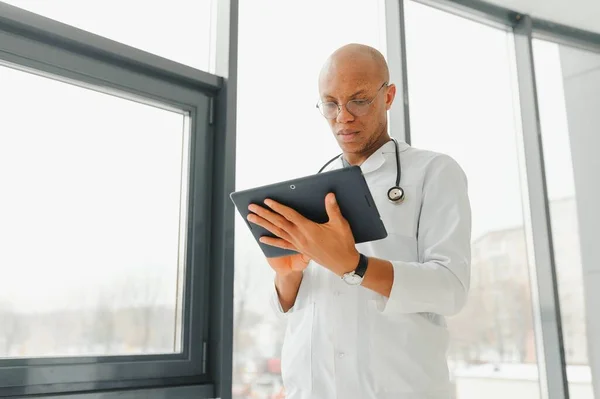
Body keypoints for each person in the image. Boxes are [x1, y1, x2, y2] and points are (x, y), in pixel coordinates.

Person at [246, 43, 472, 399]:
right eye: (330, 103)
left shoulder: (433, 172)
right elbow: (296, 312)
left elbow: (451, 290)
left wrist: (355, 265)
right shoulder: (308, 192)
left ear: (388, 96)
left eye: (359, 100)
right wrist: (287, 278)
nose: (343, 116)